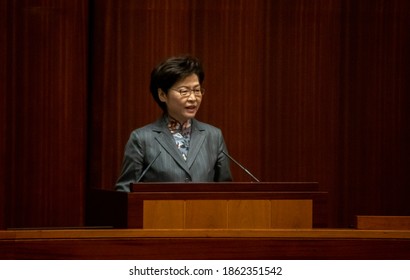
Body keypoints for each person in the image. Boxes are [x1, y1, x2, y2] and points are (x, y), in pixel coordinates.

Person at [115, 55, 233, 192]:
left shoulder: (214, 136)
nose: (193, 98)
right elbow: (125, 191)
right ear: (162, 95)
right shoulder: (142, 139)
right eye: (184, 91)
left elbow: (226, 190)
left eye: (197, 90)